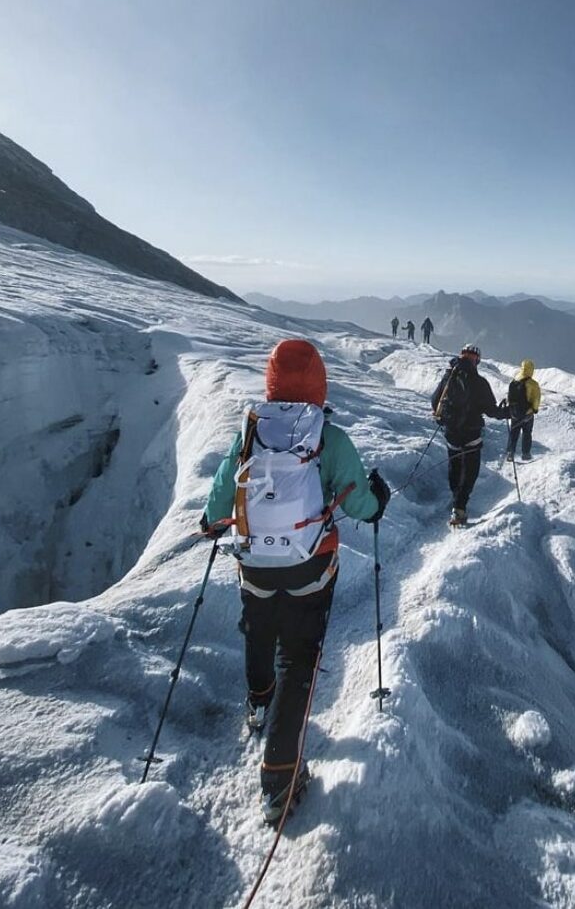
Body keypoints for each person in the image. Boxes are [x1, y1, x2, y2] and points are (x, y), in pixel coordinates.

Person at [200, 339, 389, 823]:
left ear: (272, 380)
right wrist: (378, 501)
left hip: (254, 566)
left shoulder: (249, 431)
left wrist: (209, 522)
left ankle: (259, 703)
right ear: (319, 381)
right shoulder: (328, 436)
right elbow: (359, 505)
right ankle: (280, 775)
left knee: (259, 629)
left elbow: (221, 502)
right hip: (311, 568)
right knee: (298, 656)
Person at [430, 344, 507, 526]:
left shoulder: (448, 378)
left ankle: (456, 498)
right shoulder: (479, 382)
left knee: (455, 466)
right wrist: (508, 412)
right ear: (477, 360)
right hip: (471, 434)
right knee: (470, 471)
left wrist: (442, 417)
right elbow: (491, 411)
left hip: (451, 433)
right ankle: (460, 506)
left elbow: (435, 400)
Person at [506, 359, 541, 463]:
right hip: (527, 414)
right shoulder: (533, 384)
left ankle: (510, 453)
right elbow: (536, 398)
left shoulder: (514, 381)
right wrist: (534, 409)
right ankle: (525, 454)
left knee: (514, 433)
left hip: (515, 413)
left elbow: (510, 397)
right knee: (527, 433)